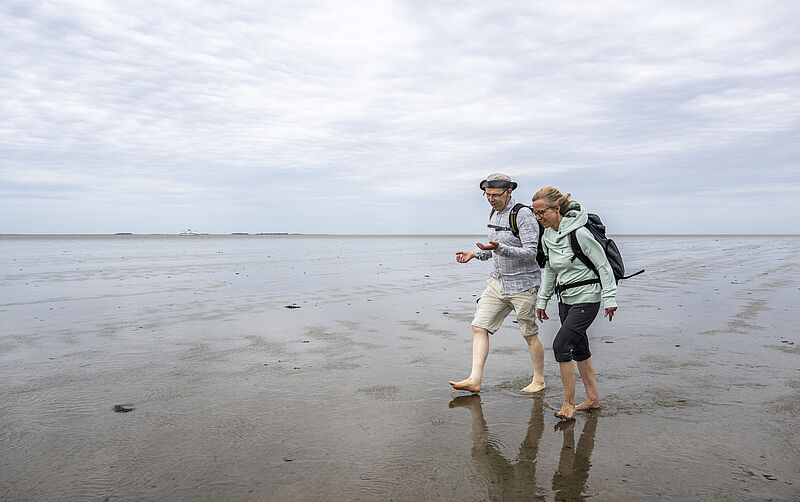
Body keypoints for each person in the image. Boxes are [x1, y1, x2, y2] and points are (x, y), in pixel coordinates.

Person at [449, 173, 545, 393]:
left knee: (529, 334)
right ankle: (475, 379)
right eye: (487, 195)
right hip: (498, 282)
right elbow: (494, 250)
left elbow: (530, 253)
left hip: (524, 285)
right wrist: (474, 254)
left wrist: (500, 248)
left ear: (509, 192)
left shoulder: (522, 215)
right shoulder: (493, 213)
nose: (491, 199)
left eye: (495, 195)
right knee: (479, 326)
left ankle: (538, 380)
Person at [533, 186, 617, 420]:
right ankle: (592, 399)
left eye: (542, 213)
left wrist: (610, 298)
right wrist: (543, 300)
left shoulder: (580, 234)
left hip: (588, 298)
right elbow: (549, 269)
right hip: (565, 300)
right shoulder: (548, 236)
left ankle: (568, 404)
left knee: (561, 345)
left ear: (556, 209)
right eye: (535, 213)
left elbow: (603, 266)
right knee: (580, 348)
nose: (538, 218)